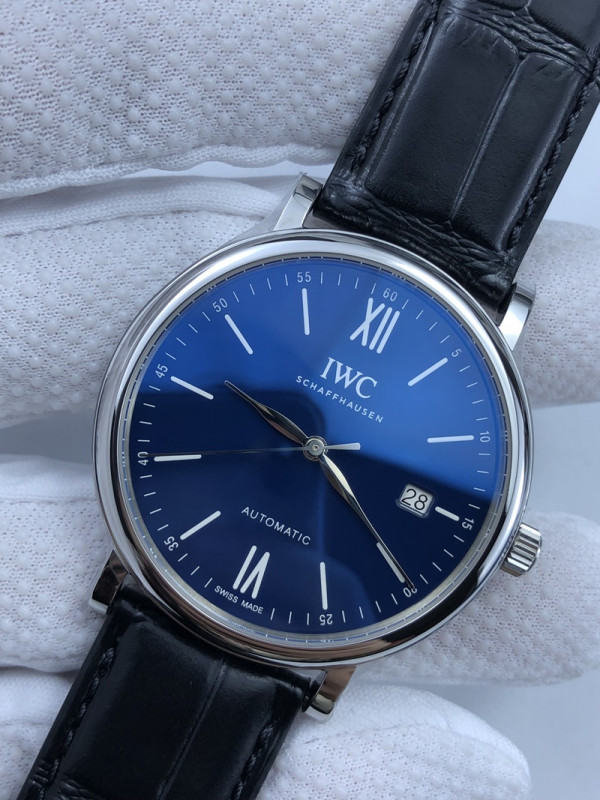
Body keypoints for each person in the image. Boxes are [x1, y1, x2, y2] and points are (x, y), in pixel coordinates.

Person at [0, 2, 599, 798]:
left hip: (251, 616)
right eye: (303, 434)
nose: (313, 447)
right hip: (188, 584)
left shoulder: (348, 590)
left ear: (503, 542)